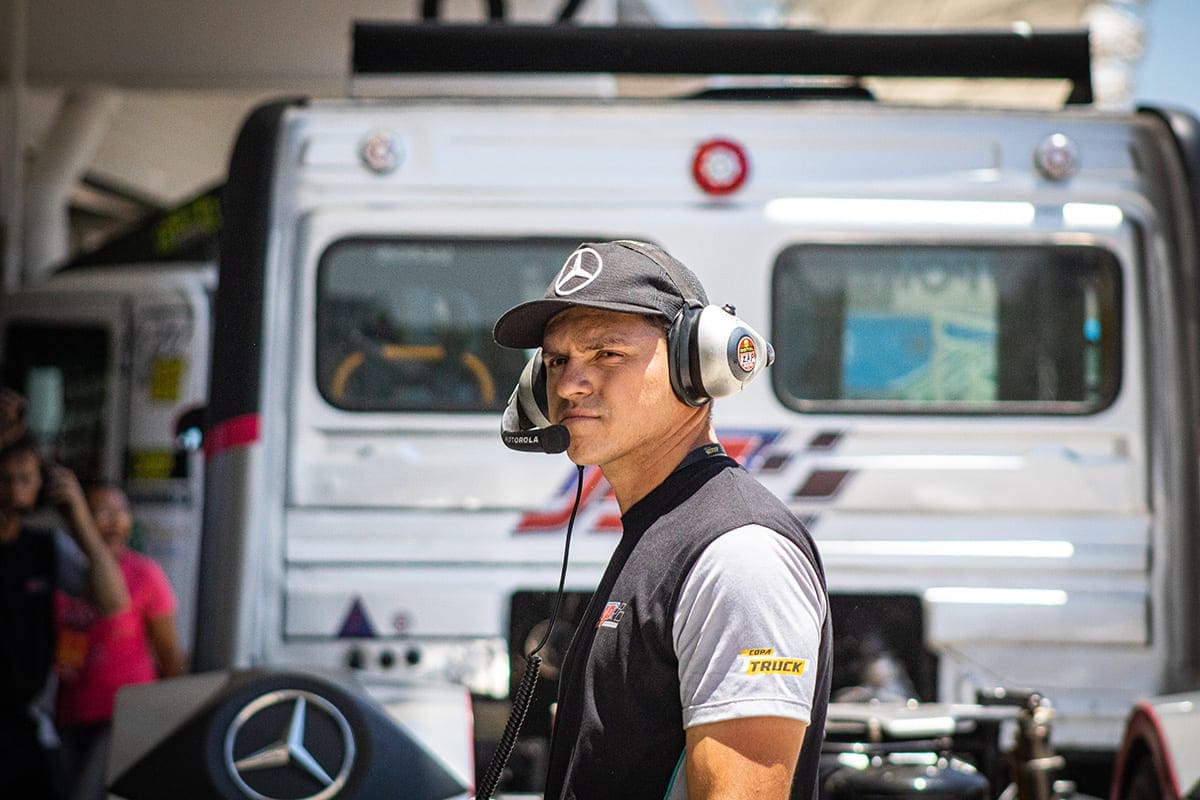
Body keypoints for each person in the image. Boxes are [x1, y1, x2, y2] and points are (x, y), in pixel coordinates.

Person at [492, 240, 832, 799]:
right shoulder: (661, 530)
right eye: (556, 361)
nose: (569, 385)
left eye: (606, 354)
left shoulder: (739, 554)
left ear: (698, 364)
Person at [0, 424, 129, 800]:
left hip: (30, 727)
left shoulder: (45, 547)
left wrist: (79, 517)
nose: (15, 490)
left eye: (25, 478)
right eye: (5, 480)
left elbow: (112, 600)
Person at [55, 481, 187, 800]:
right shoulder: (64, 569)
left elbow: (169, 655)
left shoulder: (145, 574)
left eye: (121, 512)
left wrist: (173, 718)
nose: (114, 522)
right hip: (66, 712)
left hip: (122, 713)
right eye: (101, 513)